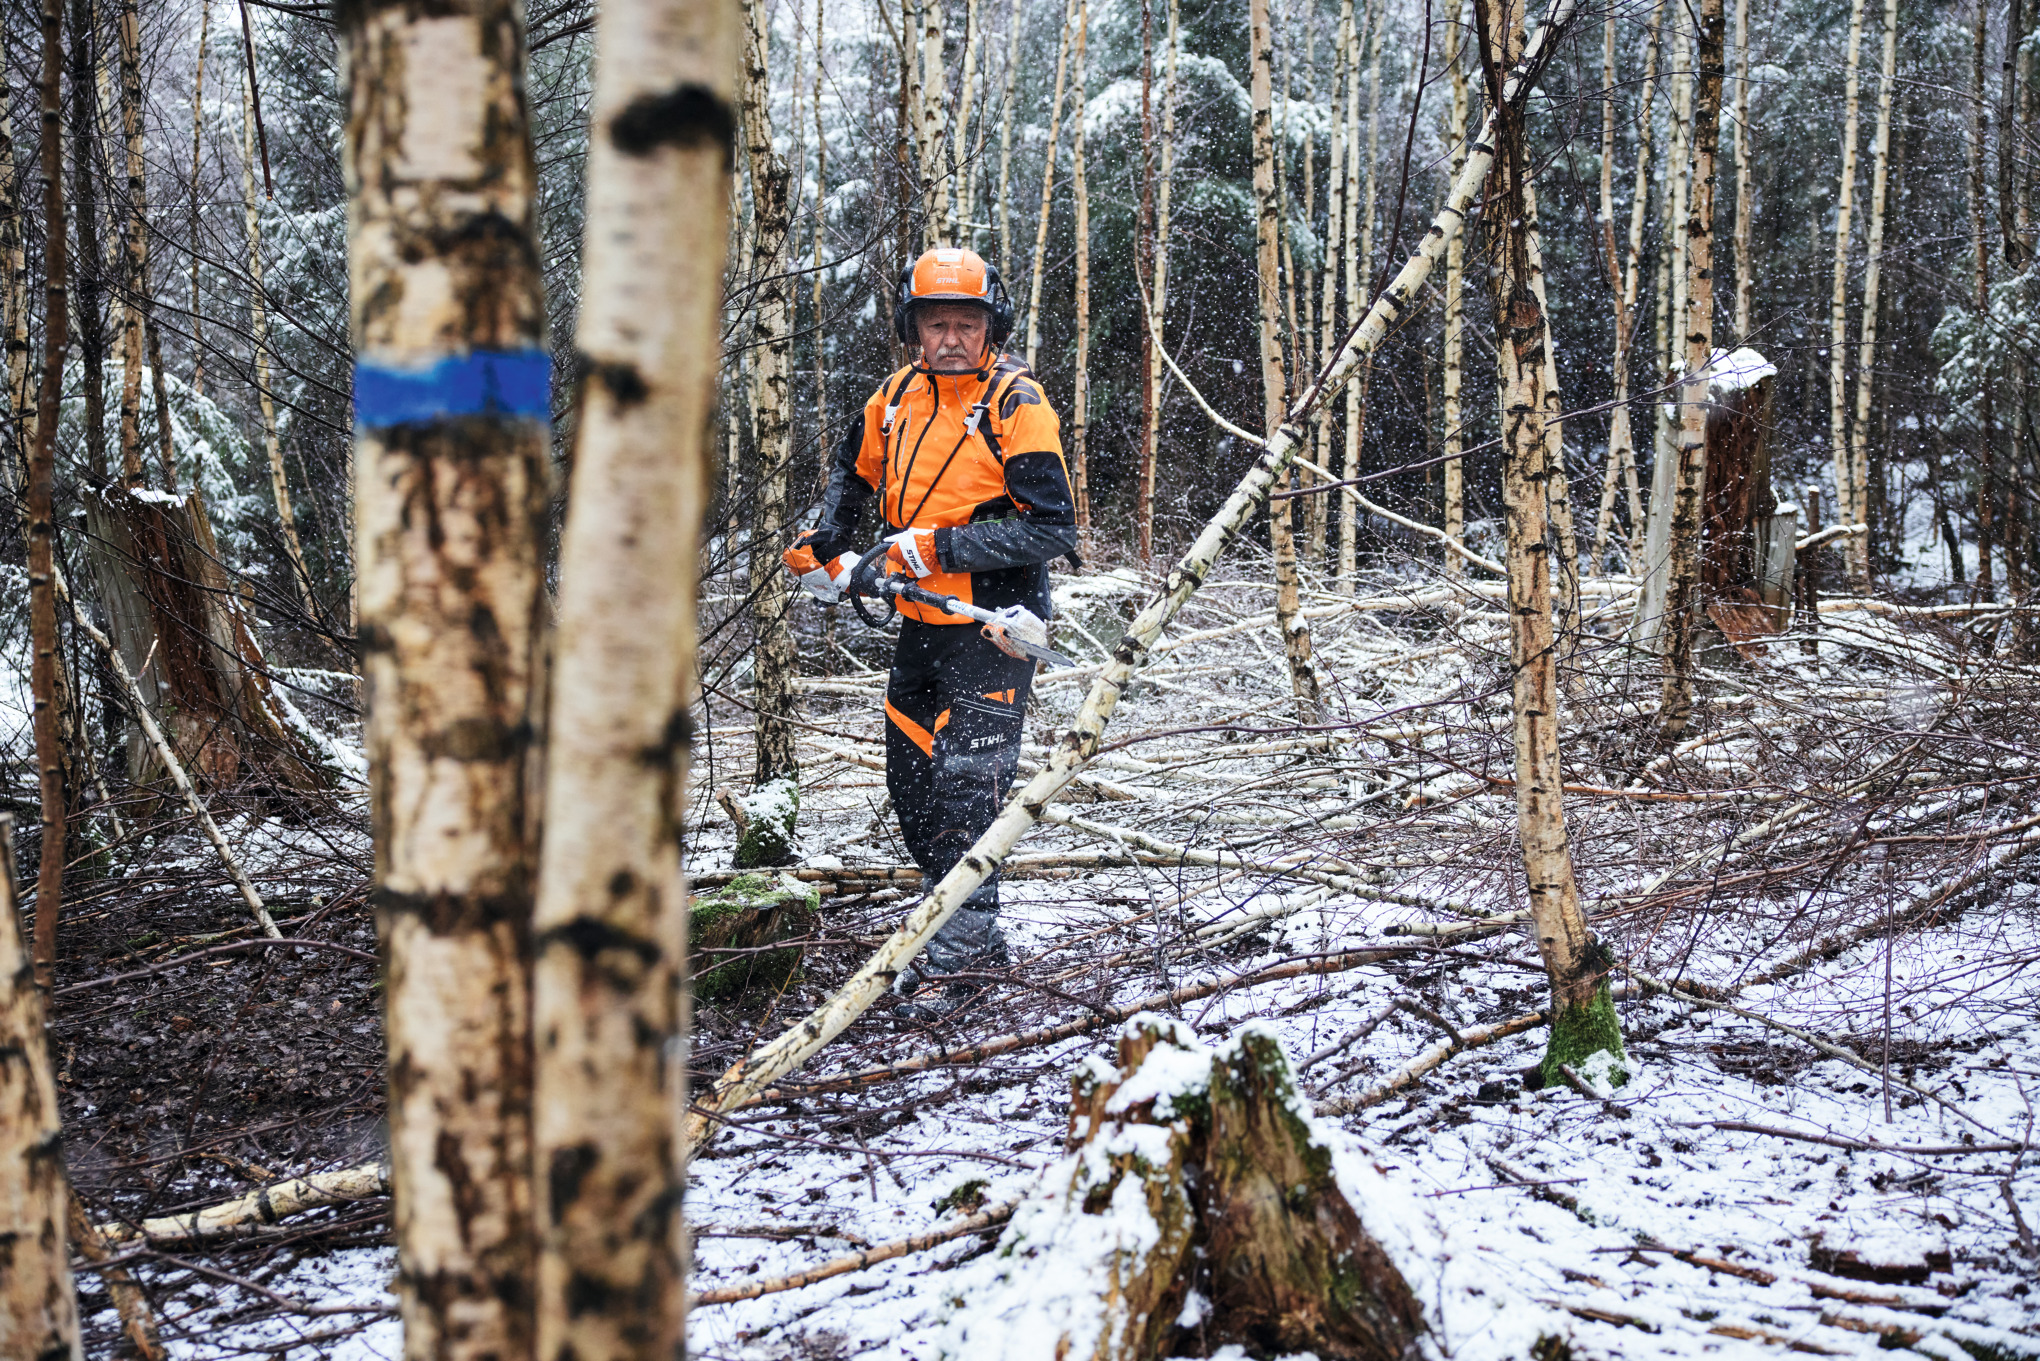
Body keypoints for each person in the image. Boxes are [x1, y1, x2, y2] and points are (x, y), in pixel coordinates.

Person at [782, 247, 1077, 1022]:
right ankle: (950, 924)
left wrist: (934, 547)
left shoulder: (1016, 403)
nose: (950, 338)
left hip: (996, 626)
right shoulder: (893, 398)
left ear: (991, 325)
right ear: (912, 326)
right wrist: (827, 545)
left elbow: (1053, 527)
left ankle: (965, 954)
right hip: (920, 625)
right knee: (912, 789)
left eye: (965, 324)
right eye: (935, 323)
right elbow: (852, 475)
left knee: (967, 790)